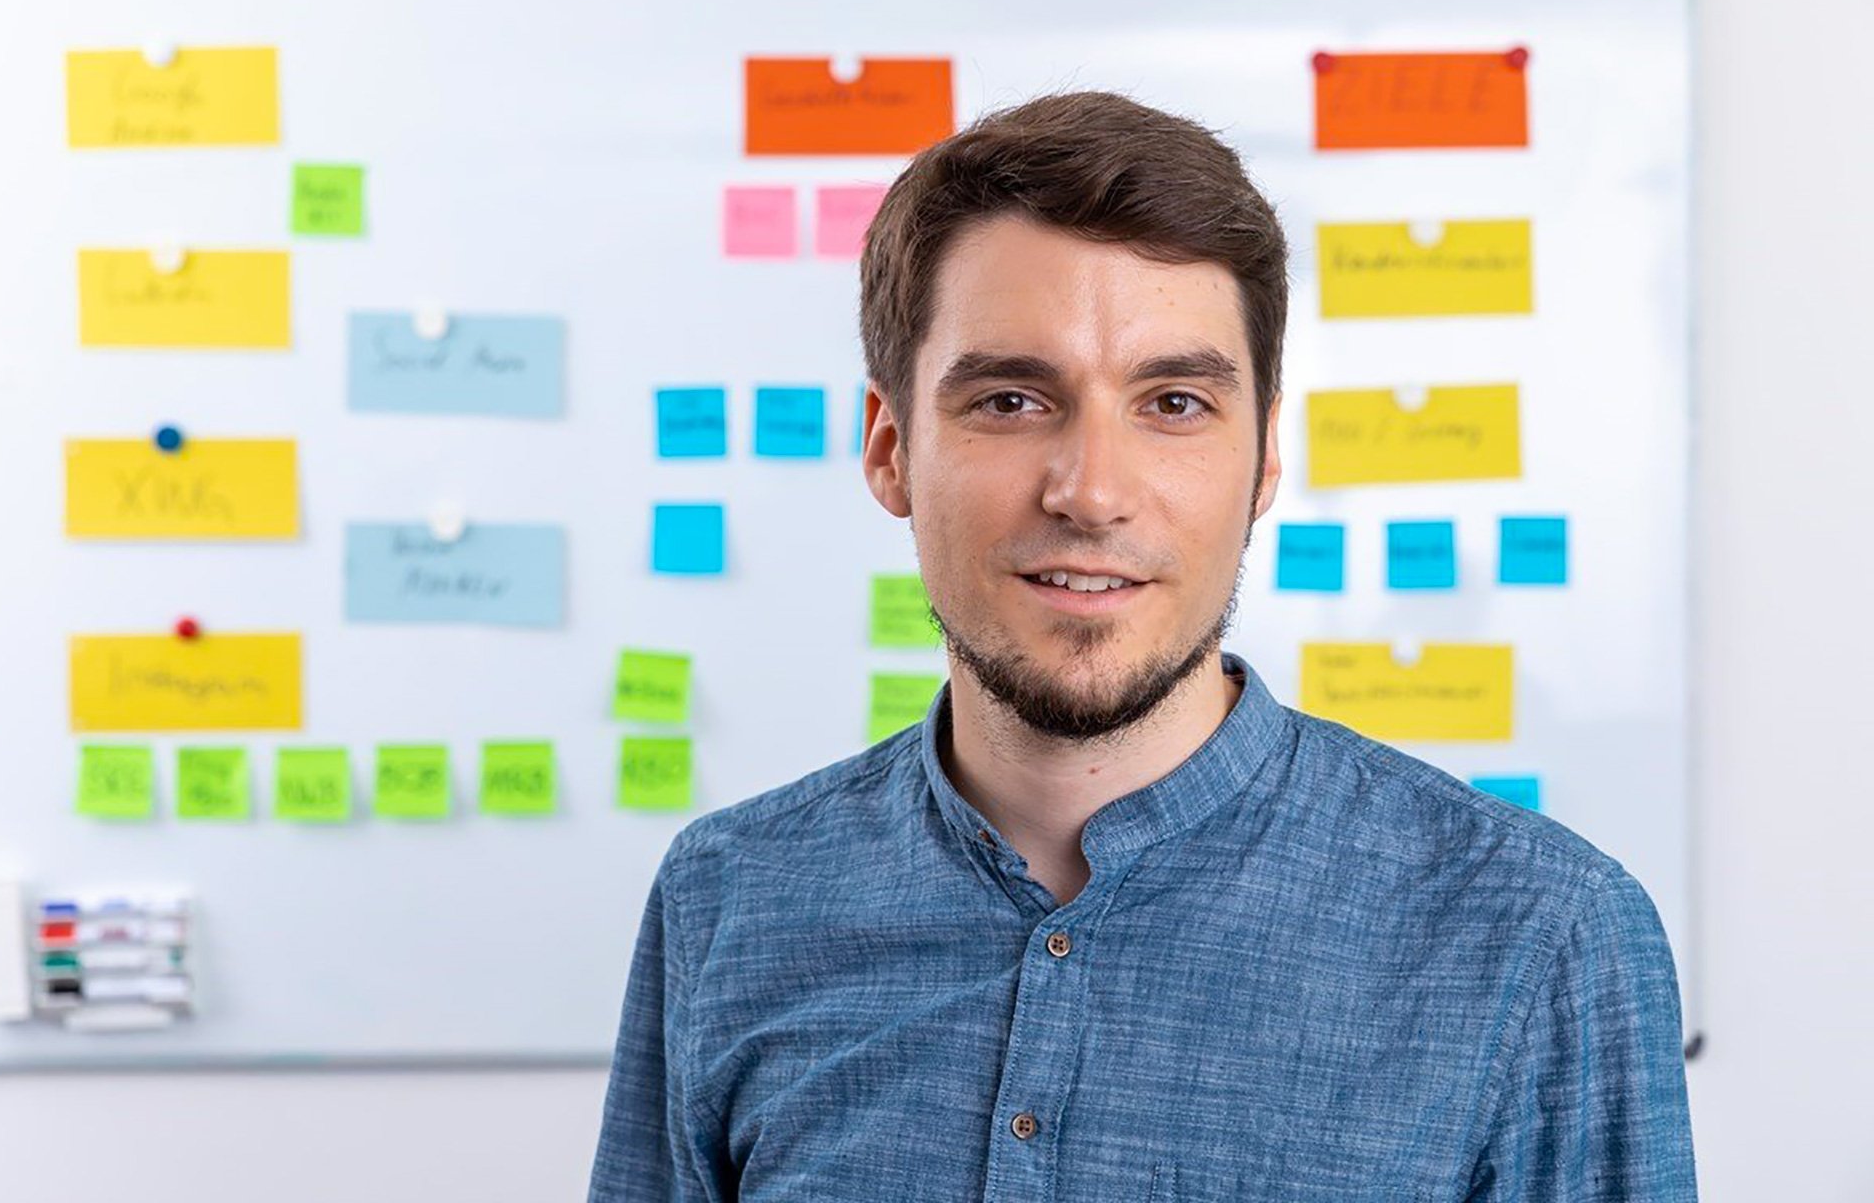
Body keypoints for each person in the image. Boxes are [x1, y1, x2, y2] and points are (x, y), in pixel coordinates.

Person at [588, 90, 1697, 1201]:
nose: (1093, 492)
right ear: (890, 447)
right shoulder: (728, 898)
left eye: (1172, 401)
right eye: (1013, 398)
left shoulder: (1542, 935)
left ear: (1264, 460)